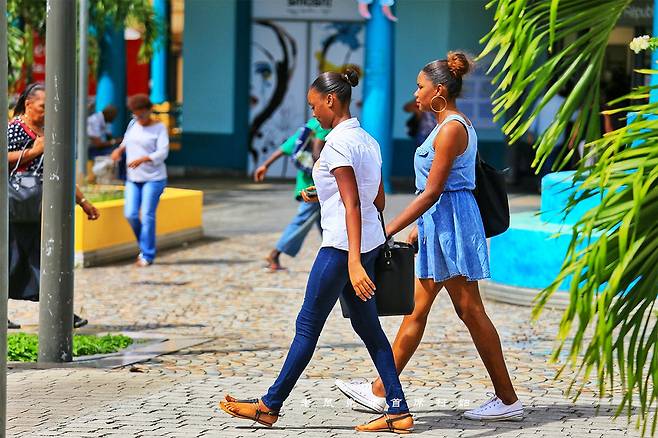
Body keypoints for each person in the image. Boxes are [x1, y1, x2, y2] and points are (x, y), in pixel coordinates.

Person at [219, 70, 414, 433]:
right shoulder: (368, 141)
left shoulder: (336, 143)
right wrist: (321, 193)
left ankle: (269, 406)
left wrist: (352, 262)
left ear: (330, 100)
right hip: (368, 243)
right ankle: (398, 409)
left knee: (307, 326)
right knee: (368, 327)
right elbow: (377, 199)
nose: (312, 114)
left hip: (342, 248)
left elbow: (353, 203)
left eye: (313, 106)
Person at [335, 53, 523, 422]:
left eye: (420, 86)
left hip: (453, 228)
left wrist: (387, 229)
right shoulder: (445, 126)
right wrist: (420, 227)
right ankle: (381, 390)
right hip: (441, 226)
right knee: (418, 310)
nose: (415, 93)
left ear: (438, 90)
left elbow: (434, 191)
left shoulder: (452, 127)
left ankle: (507, 399)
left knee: (470, 311)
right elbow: (438, 189)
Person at [7, 83, 100, 329]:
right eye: (43, 106)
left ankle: (60, 312)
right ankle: (61, 313)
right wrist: (34, 151)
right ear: (28, 104)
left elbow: (60, 172)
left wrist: (83, 201)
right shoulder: (14, 129)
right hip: (16, 209)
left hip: (41, 209)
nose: (48, 112)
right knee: (13, 262)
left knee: (44, 261)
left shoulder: (50, 131)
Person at [254, 118, 330, 271]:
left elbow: (287, 147)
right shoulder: (324, 125)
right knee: (304, 220)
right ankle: (275, 254)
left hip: (306, 183)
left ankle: (334, 259)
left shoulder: (311, 124)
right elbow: (317, 154)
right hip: (315, 186)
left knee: (327, 223)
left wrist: (265, 165)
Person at [111, 94, 169, 267]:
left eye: (142, 114)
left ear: (149, 111)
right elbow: (126, 141)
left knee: (148, 215)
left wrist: (145, 159)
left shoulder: (159, 128)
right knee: (131, 214)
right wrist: (119, 150)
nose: (139, 118)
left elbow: (163, 152)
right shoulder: (133, 124)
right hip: (133, 178)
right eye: (136, 114)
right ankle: (144, 246)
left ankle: (147, 255)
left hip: (154, 178)